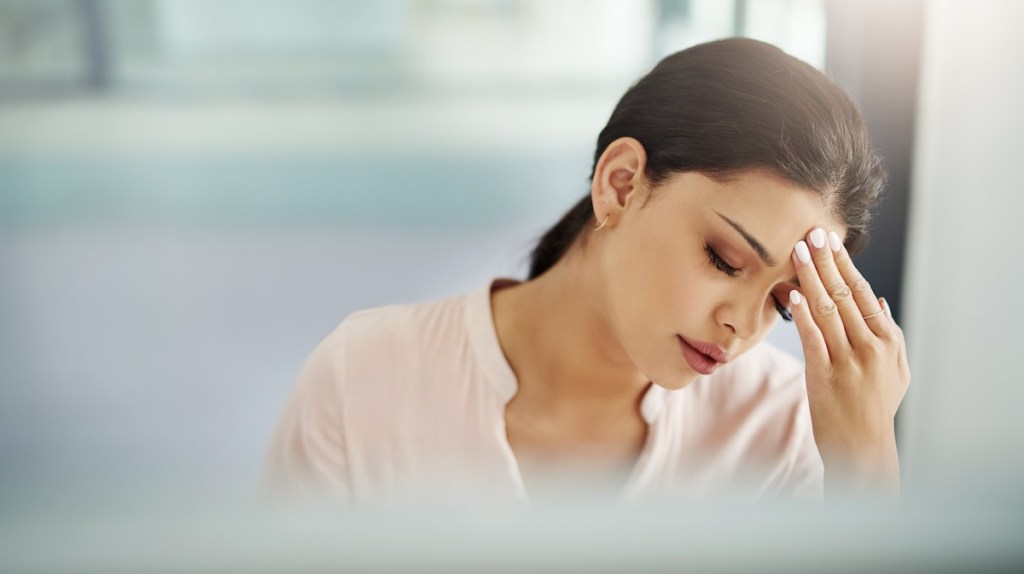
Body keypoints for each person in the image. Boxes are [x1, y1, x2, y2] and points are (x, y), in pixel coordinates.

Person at [263, 38, 911, 507]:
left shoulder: (777, 429)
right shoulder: (366, 377)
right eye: (724, 259)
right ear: (621, 184)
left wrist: (867, 463)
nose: (742, 326)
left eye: (781, 301)